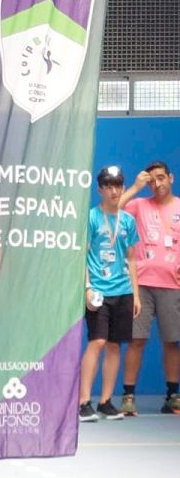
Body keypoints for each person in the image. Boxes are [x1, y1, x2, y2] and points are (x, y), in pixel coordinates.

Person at [118, 160, 180, 415]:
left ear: (170, 178)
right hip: (141, 285)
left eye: (161, 178)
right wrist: (135, 187)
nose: (157, 184)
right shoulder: (140, 205)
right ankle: (128, 397)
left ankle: (173, 396)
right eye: (152, 180)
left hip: (172, 286)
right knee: (137, 340)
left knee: (171, 341)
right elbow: (113, 209)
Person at [79, 166, 140, 422]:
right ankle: (83, 402)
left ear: (122, 188)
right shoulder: (91, 218)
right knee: (97, 342)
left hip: (124, 291)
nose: (114, 190)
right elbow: (81, 255)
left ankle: (105, 401)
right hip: (98, 292)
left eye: (118, 185)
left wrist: (136, 294)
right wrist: (87, 288)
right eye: (108, 186)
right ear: (100, 189)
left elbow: (132, 259)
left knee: (115, 346)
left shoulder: (128, 221)